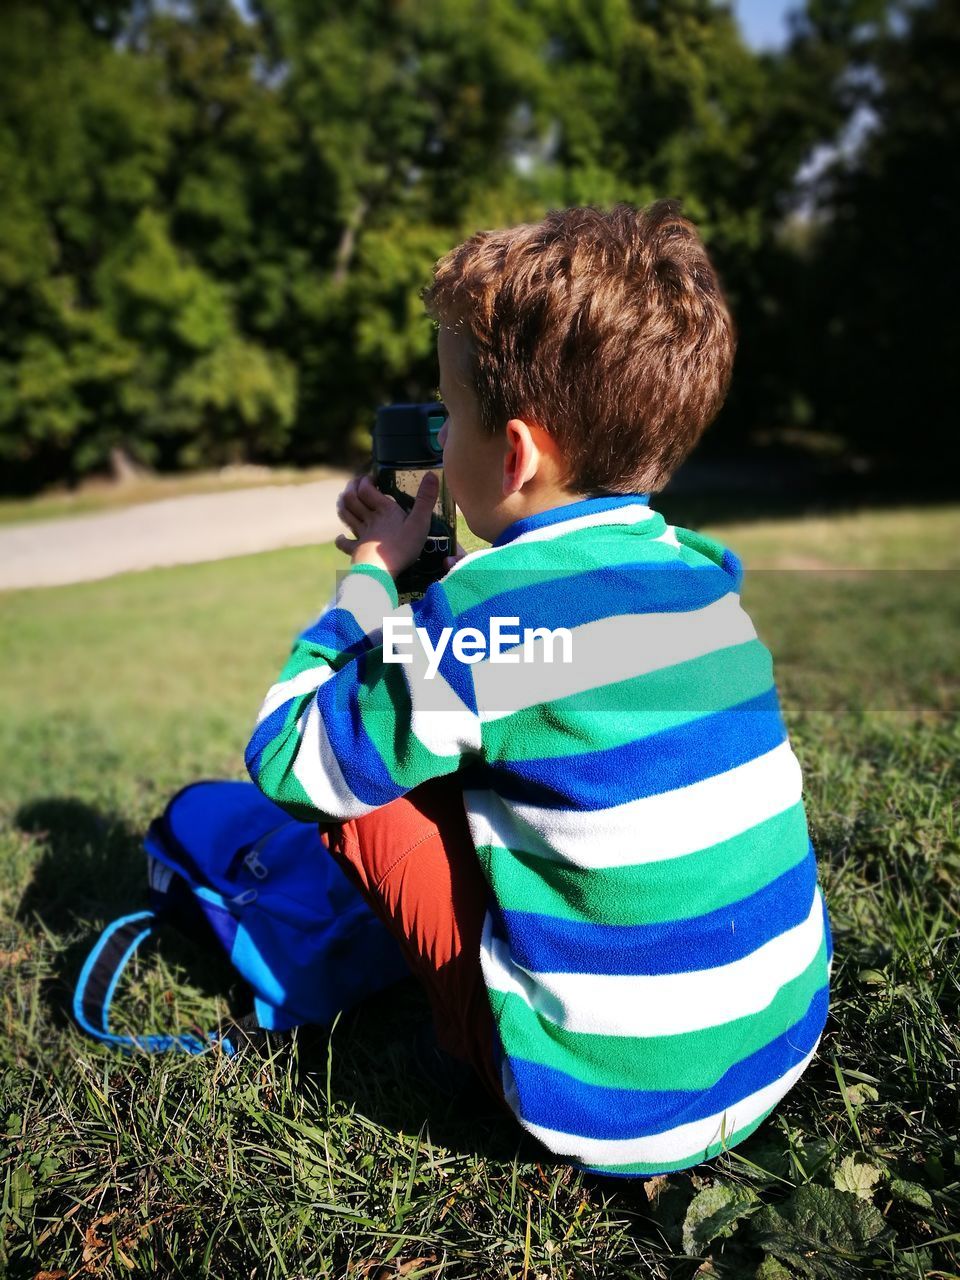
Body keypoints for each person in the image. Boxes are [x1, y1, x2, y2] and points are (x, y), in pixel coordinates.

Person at [244, 200, 832, 1177]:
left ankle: (464, 1037)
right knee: (436, 732)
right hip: (775, 1051)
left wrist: (371, 579)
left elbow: (287, 756)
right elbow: (547, 658)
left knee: (363, 790)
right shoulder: (705, 586)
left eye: (448, 413)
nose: (437, 437)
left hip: (611, 1115)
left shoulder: (482, 630)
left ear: (513, 452)